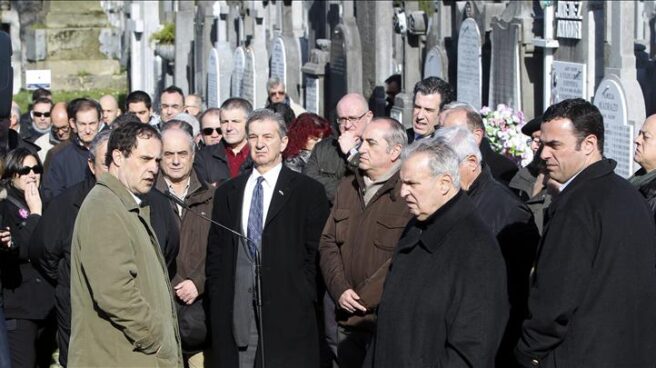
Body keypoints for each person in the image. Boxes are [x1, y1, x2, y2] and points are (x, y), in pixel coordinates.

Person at [515, 98, 656, 367]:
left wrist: (528, 353)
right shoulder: (629, 194)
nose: (543, 154)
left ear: (589, 144)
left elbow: (555, 299)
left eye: (555, 145)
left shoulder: (577, 207)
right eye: (543, 144)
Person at [29, 129, 180, 366]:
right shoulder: (105, 208)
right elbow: (115, 292)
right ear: (118, 157)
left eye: (157, 160)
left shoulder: (125, 204)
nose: (153, 168)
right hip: (119, 356)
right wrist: (157, 339)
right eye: (144, 159)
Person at [366, 139, 508, 367]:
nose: (403, 193)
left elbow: (473, 347)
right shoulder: (416, 227)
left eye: (412, 184)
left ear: (444, 183)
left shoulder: (476, 247)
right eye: (402, 183)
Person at [206, 109, 329, 367]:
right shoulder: (229, 192)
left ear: (283, 142)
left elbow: (315, 254)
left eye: (267, 137)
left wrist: (303, 294)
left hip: (288, 317)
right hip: (238, 316)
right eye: (253, 136)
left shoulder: (307, 192)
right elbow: (216, 255)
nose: (260, 144)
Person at [434, 125, 539, 366]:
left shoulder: (508, 211)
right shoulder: (446, 200)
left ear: (471, 162)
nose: (439, 175)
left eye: (446, 166)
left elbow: (515, 292)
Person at [319, 117, 411, 368]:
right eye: (362, 142)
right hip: (345, 321)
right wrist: (339, 289)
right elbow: (328, 242)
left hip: (383, 324)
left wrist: (364, 299)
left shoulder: (407, 193)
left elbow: (406, 257)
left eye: (371, 143)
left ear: (394, 152)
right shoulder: (348, 187)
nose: (362, 149)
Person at [155, 126, 215, 366]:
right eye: (169, 154)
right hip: (160, 315)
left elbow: (220, 251)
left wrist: (198, 282)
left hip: (201, 316)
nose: (176, 161)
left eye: (182, 154)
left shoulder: (212, 198)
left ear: (193, 155)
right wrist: (175, 282)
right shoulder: (147, 197)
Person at [0, 148, 55, 368]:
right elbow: (19, 250)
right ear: (12, 175)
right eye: (25, 170)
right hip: (19, 307)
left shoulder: (49, 203)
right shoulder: (4, 208)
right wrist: (34, 215)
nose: (32, 174)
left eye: (36, 169)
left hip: (48, 305)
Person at [304, 93, 373, 204]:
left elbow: (368, 188)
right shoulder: (324, 147)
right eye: (342, 119)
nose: (347, 125)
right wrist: (346, 191)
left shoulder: (378, 148)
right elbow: (308, 181)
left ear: (368, 117)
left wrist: (352, 153)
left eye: (353, 118)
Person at [440, 101, 519, 186]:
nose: (441, 139)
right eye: (439, 131)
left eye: (451, 132)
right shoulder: (437, 163)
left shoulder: (503, 170)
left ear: (476, 136)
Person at [42, 98, 101, 202]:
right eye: (82, 124)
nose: (88, 130)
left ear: (99, 123)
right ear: (73, 124)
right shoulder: (59, 157)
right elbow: (52, 197)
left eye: (92, 123)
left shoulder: (111, 151)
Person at [194, 98, 253, 186]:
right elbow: (200, 193)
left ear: (248, 123)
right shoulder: (204, 157)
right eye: (224, 122)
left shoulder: (259, 153)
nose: (229, 128)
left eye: (235, 121)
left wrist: (217, 185)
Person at [407, 76, 455, 143]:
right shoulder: (400, 140)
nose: (420, 116)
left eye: (428, 110)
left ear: (443, 113)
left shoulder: (449, 146)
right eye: (417, 107)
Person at [631, 114, 656, 217]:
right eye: (639, 134)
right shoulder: (639, 179)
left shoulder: (651, 195)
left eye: (646, 137)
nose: (637, 140)